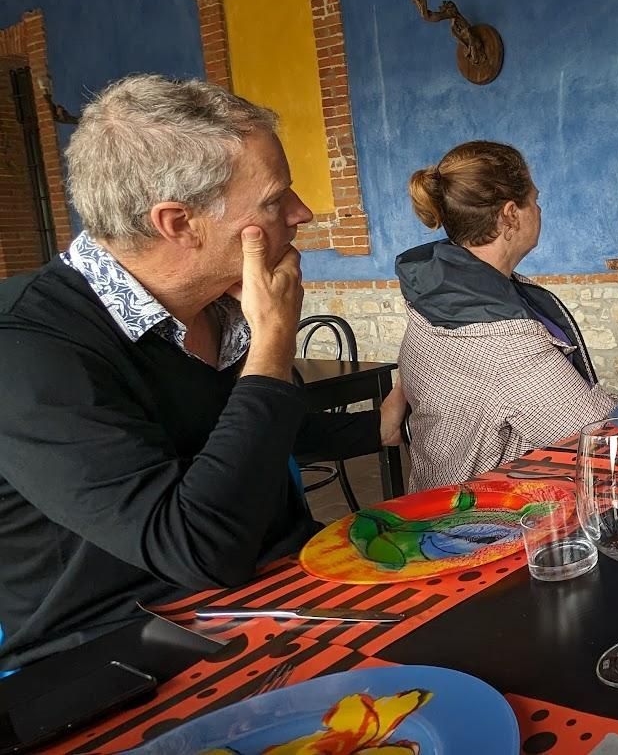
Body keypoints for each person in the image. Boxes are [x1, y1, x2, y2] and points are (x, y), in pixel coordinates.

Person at [0, 75, 399, 671]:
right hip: (124, 656)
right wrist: (271, 344)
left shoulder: (216, 302)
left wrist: (377, 430)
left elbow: (241, 437)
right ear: (179, 223)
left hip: (282, 592)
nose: (302, 212)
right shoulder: (27, 351)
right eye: (274, 199)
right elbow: (198, 550)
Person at [395, 141, 616, 490]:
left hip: (441, 500)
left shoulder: (441, 287)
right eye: (535, 200)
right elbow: (601, 440)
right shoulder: (499, 335)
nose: (540, 210)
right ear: (511, 214)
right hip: (485, 525)